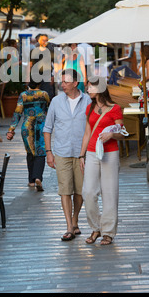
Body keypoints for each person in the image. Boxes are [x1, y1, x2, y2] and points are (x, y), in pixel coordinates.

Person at [43, 68, 91, 241]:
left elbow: (91, 127)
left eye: (65, 82)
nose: (62, 85)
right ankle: (69, 226)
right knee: (65, 190)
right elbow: (47, 129)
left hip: (82, 153)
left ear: (75, 83)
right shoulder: (56, 102)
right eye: (61, 82)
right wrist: (49, 153)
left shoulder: (88, 101)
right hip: (61, 152)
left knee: (80, 191)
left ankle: (75, 219)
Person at [79, 76, 124, 246]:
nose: (87, 90)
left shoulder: (115, 109)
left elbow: (122, 132)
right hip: (91, 152)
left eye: (89, 87)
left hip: (110, 153)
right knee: (88, 192)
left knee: (110, 193)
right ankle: (96, 227)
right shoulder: (89, 108)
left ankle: (108, 232)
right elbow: (87, 133)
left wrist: (112, 134)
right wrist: (81, 155)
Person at [6, 79, 50, 191]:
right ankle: (38, 177)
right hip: (41, 126)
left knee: (30, 151)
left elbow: (17, 113)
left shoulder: (23, 95)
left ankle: (31, 180)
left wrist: (11, 130)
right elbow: (49, 110)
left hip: (27, 127)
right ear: (40, 83)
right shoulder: (44, 94)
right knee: (40, 151)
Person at [30, 33, 55, 100]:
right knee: (35, 97)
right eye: (43, 40)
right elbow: (30, 65)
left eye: (46, 40)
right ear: (38, 40)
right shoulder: (33, 51)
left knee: (47, 96)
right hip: (35, 77)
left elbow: (56, 65)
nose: (45, 42)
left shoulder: (51, 52)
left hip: (47, 77)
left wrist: (53, 76)